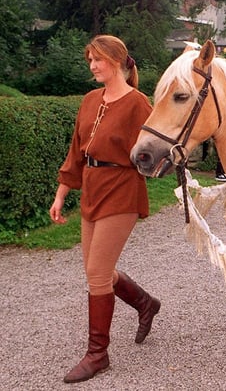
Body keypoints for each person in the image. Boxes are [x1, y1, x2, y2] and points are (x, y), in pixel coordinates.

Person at [49, 35, 160, 383]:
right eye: (90, 61)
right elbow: (76, 151)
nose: (93, 66)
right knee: (98, 271)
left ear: (118, 61)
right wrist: (62, 192)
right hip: (92, 188)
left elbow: (154, 151)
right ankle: (145, 303)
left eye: (98, 60)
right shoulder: (90, 100)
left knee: (97, 272)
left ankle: (98, 354)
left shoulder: (138, 103)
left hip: (121, 188)